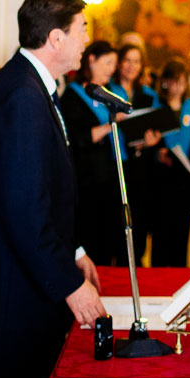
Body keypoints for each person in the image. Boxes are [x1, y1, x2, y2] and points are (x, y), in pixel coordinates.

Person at [0, 0, 105, 378]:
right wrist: (71, 285)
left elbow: (44, 186)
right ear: (55, 38)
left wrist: (73, 250)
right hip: (12, 291)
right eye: (82, 29)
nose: (86, 41)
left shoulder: (31, 85)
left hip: (23, 282)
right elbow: (24, 209)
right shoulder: (22, 96)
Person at [61, 40, 124, 265]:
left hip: (109, 176)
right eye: (107, 62)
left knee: (110, 239)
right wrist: (110, 125)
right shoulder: (73, 95)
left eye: (114, 64)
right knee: (92, 237)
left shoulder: (110, 94)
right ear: (91, 60)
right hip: (86, 180)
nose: (111, 69)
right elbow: (75, 138)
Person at [151, 58, 190, 266]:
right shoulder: (157, 106)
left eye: (181, 82)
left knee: (181, 233)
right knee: (160, 233)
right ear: (165, 82)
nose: (177, 87)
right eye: (173, 81)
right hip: (161, 181)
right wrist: (158, 153)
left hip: (185, 181)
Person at [110, 43, 162, 261]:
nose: (131, 66)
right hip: (114, 162)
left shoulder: (149, 94)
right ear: (119, 63)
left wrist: (153, 140)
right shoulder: (108, 90)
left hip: (141, 164)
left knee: (139, 216)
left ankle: (135, 261)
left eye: (136, 61)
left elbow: (158, 125)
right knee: (114, 218)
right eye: (127, 60)